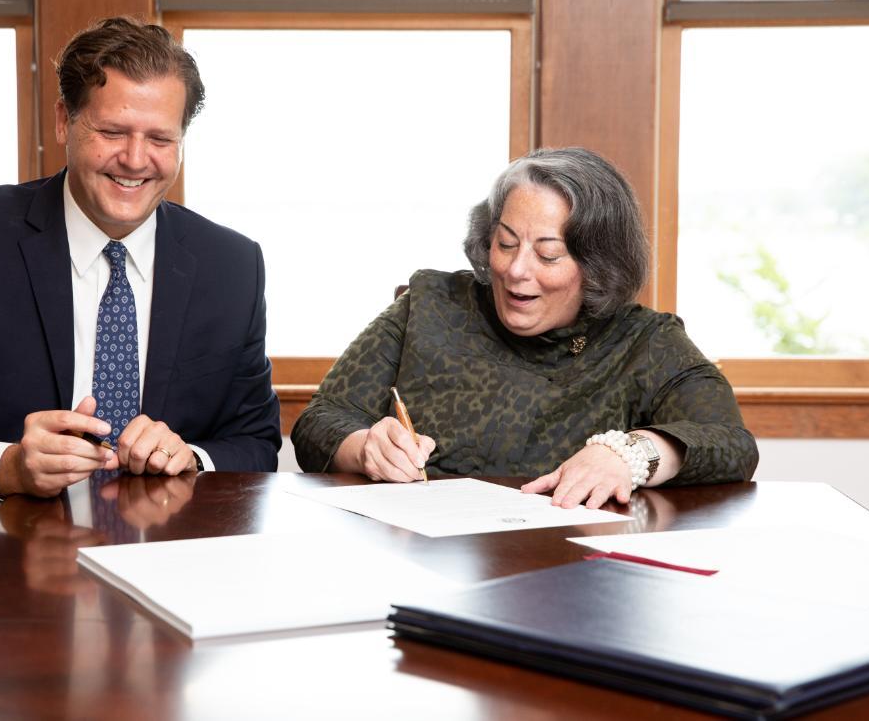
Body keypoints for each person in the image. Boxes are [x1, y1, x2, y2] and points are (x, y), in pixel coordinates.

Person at [0, 16, 280, 593]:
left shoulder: (231, 263)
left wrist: (191, 456)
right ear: (65, 120)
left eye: (160, 139)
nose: (136, 160)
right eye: (113, 132)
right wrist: (8, 466)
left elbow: (256, 442)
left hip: (171, 578)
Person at [292, 147, 757, 507]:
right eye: (506, 243)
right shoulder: (430, 306)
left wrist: (632, 453)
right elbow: (319, 421)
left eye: (548, 254)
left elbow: (732, 444)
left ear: (598, 265)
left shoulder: (645, 342)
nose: (516, 270)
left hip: (566, 573)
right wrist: (365, 448)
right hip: (422, 560)